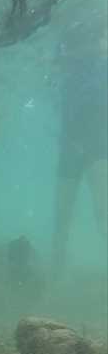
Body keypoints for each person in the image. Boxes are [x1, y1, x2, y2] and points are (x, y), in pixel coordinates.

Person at [52, 17, 108, 276]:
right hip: (74, 142)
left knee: (101, 208)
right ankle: (56, 269)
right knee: (64, 214)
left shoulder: (98, 60)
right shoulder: (73, 55)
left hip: (95, 142)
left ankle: (58, 268)